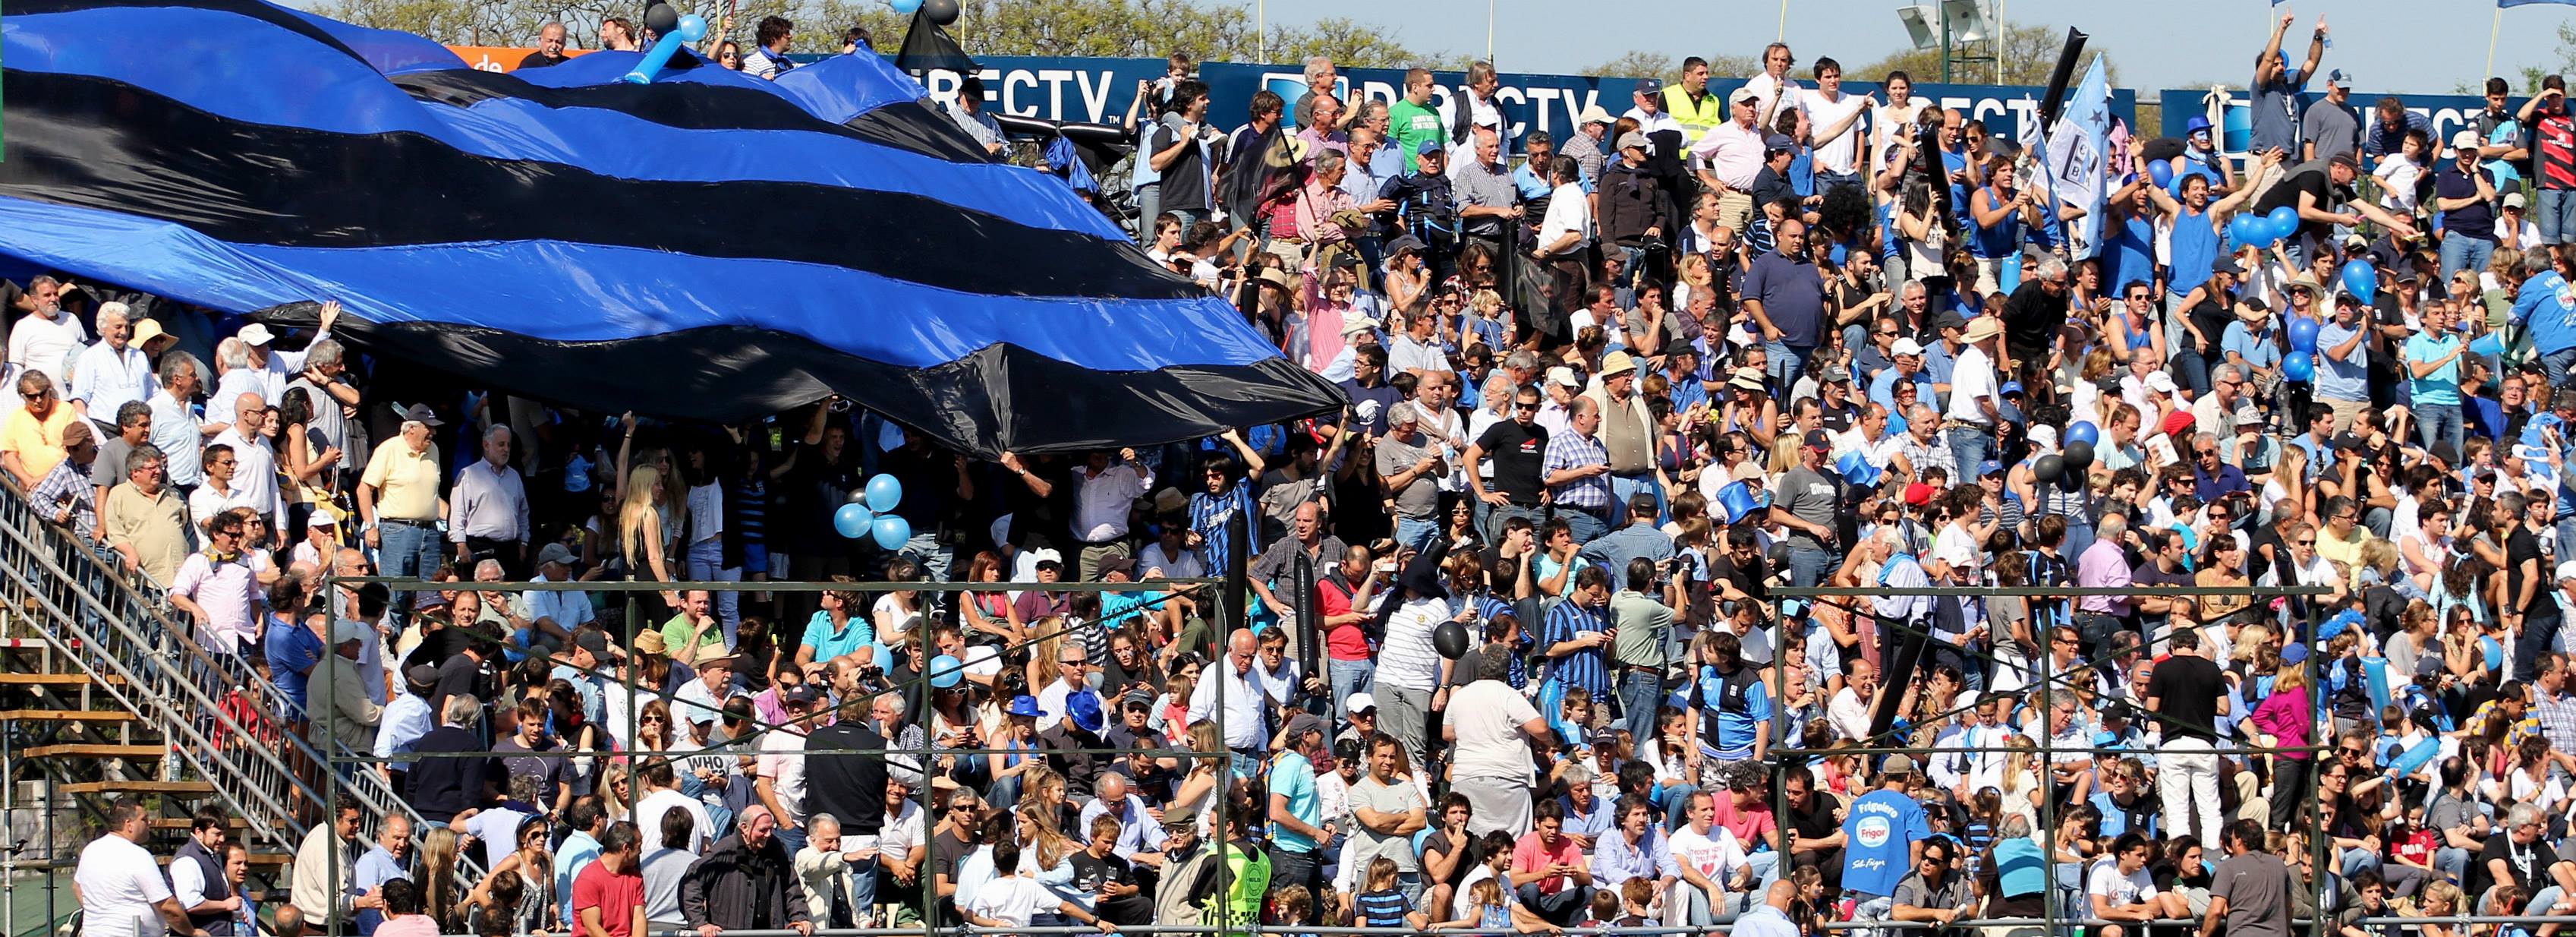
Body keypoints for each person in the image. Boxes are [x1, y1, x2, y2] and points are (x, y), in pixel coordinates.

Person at [77, 798, 203, 937]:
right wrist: (193, 933)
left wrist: (100, 913)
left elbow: (77, 887)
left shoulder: (91, 850)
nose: (149, 823)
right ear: (129, 825)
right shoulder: (138, 856)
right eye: (144, 819)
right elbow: (167, 906)